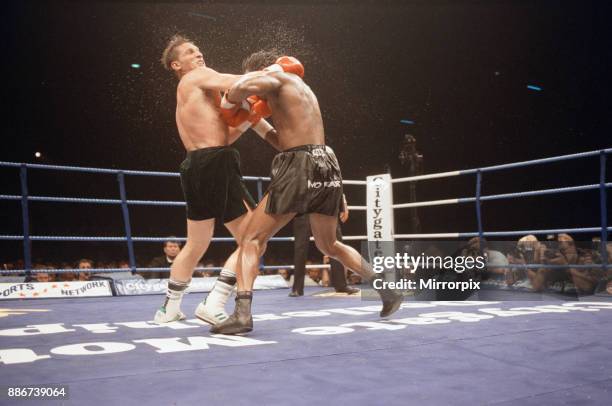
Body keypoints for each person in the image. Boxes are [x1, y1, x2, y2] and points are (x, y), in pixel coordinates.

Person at [211, 50, 402, 334]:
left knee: (250, 238)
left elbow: (240, 87)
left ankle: (241, 313)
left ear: (261, 71)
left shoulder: (274, 76)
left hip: (300, 164)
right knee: (329, 245)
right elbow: (283, 141)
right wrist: (255, 121)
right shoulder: (298, 90)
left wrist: (229, 101)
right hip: (326, 162)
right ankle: (387, 290)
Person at [154, 35, 280, 324]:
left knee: (196, 243)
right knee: (253, 240)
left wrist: (251, 118)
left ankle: (168, 309)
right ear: (177, 64)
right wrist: (274, 74)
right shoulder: (198, 77)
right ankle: (215, 302)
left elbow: (223, 136)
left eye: (199, 49)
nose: (198, 54)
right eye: (190, 52)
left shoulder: (190, 91)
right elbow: (236, 83)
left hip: (194, 165)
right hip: (215, 162)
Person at [290, 194, 359, 296]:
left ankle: (341, 285)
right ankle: (297, 288)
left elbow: (336, 179)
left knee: (336, 243)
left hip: (326, 203)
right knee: (301, 246)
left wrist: (343, 202)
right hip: (304, 204)